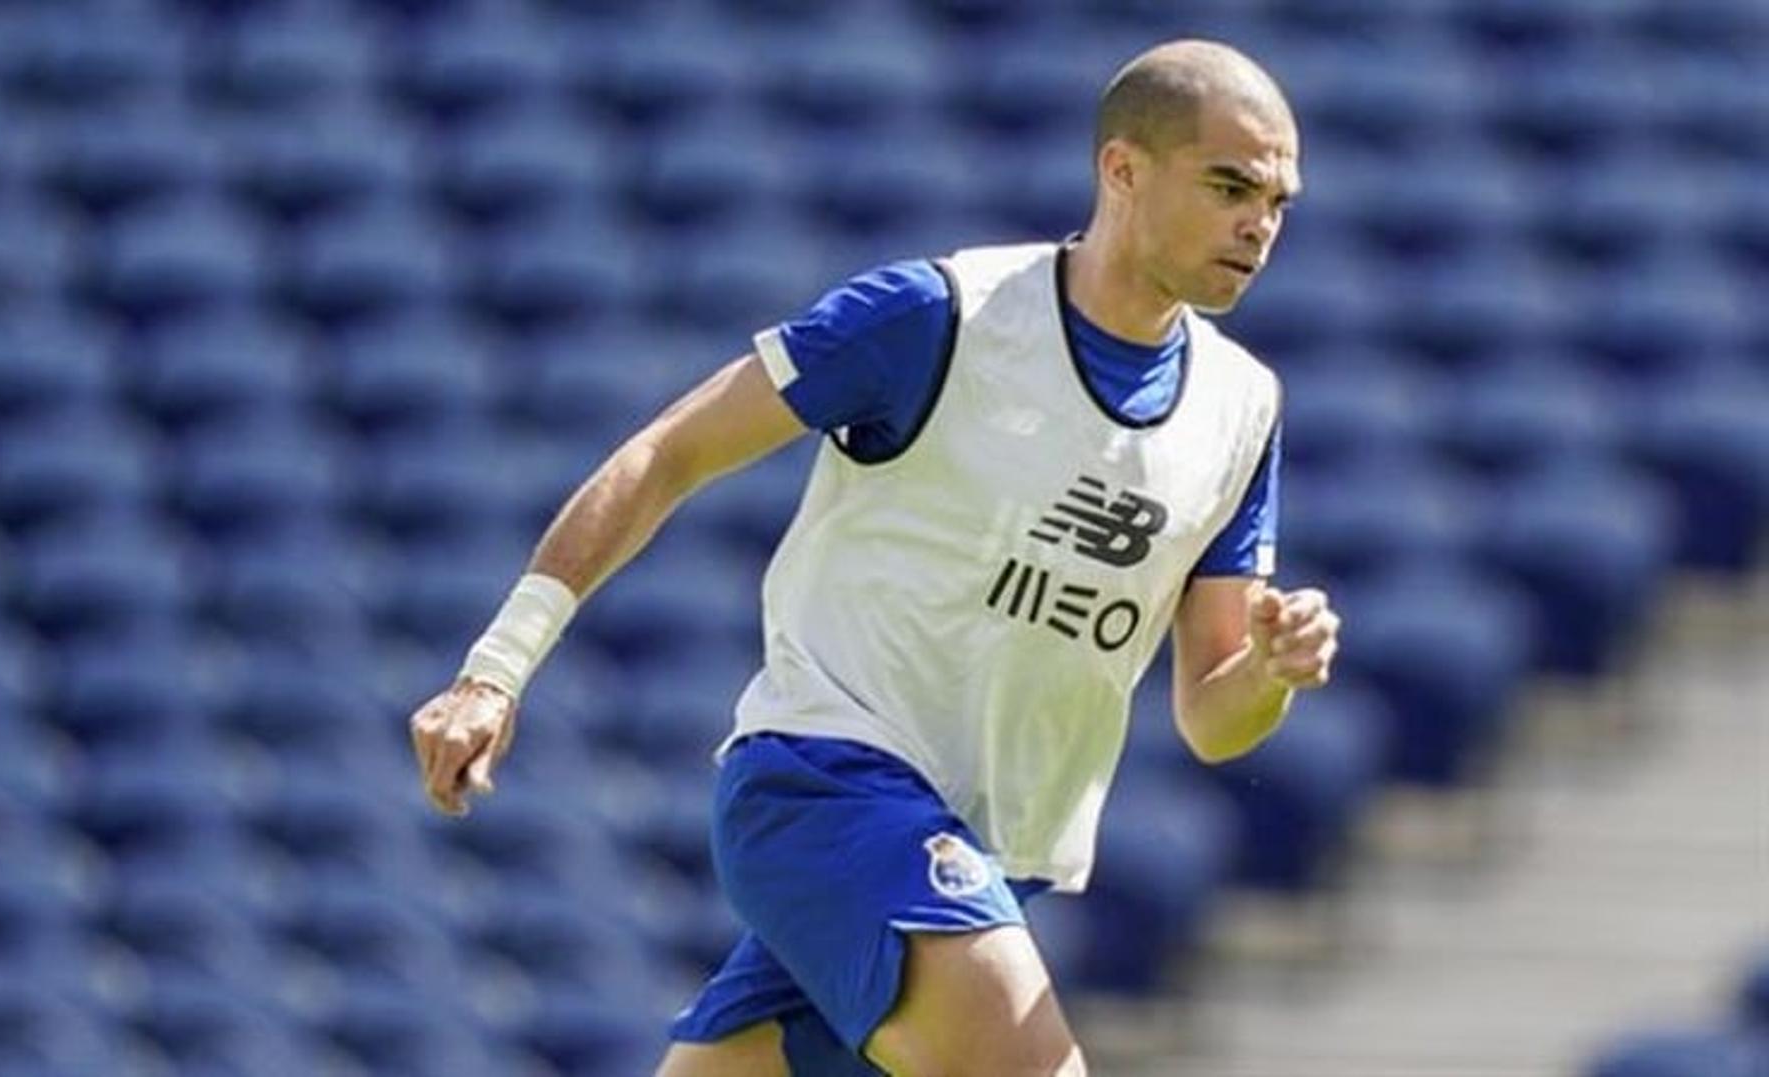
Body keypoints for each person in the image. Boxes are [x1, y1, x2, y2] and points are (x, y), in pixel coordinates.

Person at [409, 38, 1341, 1077]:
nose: (1260, 225)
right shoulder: (938, 318)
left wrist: (1267, 670)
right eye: (1230, 186)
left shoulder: (1243, 407)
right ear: (1122, 170)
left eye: (1278, 201)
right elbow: (669, 452)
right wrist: (496, 668)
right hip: (827, 785)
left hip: (985, 852)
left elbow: (1212, 720)